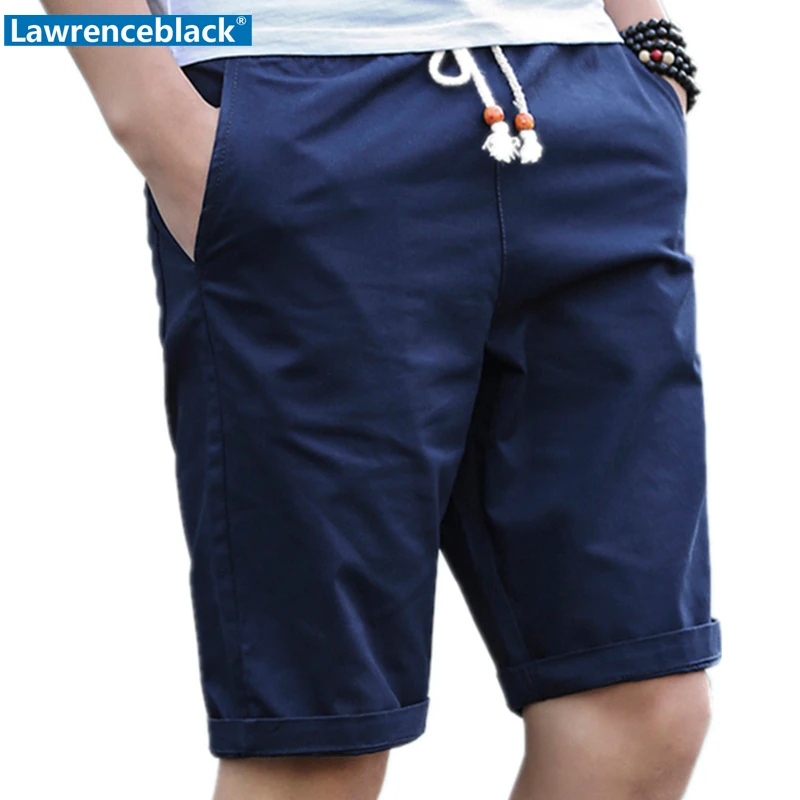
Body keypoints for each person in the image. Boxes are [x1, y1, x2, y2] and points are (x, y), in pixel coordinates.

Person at [43, 0, 721, 797]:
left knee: (645, 701)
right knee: (321, 742)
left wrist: (647, 44)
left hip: (581, 106)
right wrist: (153, 117)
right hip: (300, 107)